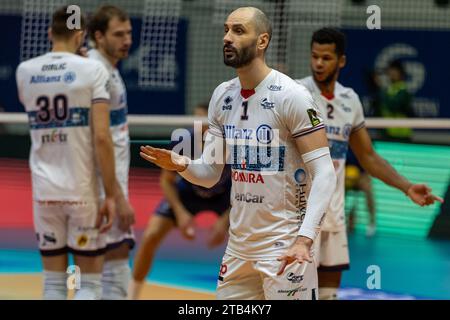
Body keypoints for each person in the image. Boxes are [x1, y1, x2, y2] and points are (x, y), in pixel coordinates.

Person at [140, 7, 338, 300]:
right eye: (226, 29)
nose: (227, 38)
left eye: (238, 31)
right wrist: (181, 164)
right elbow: (209, 174)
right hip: (239, 247)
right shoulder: (223, 96)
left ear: (262, 41)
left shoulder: (291, 96)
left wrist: (304, 240)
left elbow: (324, 173)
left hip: (284, 245)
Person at [296, 27, 443, 300]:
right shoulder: (296, 93)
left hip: (334, 215)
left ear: (341, 61)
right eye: (314, 56)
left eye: (326, 58)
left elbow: (368, 156)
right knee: (294, 294)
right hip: (299, 216)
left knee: (328, 295)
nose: (318, 63)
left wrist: (407, 186)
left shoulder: (349, 100)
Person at [15, 6, 119, 299]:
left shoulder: (25, 71)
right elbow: (102, 137)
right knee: (88, 284)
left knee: (54, 284)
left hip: (44, 190)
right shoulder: (93, 70)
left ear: (50, 33)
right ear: (82, 35)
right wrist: (110, 194)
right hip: (82, 190)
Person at [128, 103, 232, 300]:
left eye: (206, 123)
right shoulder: (182, 141)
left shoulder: (231, 144)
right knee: (151, 234)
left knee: (249, 234)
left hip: (225, 196)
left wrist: (226, 220)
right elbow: (166, 181)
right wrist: (181, 213)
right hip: (187, 193)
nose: (201, 128)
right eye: (196, 122)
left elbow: (243, 188)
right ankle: (132, 295)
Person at [87, 5, 135, 300]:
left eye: (128, 32)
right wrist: (117, 197)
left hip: (107, 184)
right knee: (111, 265)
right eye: (118, 34)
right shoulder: (97, 71)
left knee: (105, 268)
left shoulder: (106, 68)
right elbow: (99, 139)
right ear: (99, 36)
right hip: (104, 187)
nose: (127, 40)